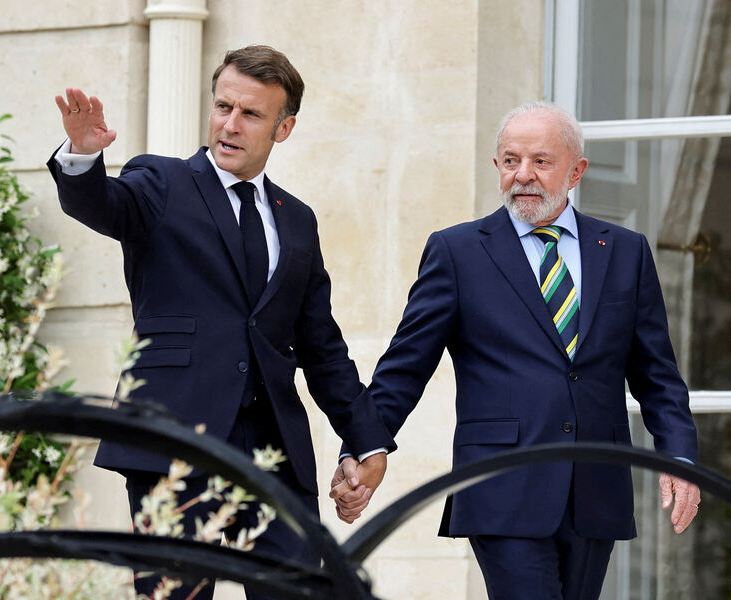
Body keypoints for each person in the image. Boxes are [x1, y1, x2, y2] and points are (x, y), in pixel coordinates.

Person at [47, 45, 394, 599]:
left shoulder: (297, 221)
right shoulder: (160, 182)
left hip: (274, 457)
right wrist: (82, 160)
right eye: (223, 107)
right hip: (173, 445)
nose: (230, 125)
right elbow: (101, 204)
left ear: (284, 129)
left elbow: (321, 346)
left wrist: (366, 441)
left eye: (251, 114)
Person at [330, 102, 700, 599]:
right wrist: (363, 445)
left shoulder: (625, 250)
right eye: (510, 160)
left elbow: (657, 375)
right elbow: (404, 368)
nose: (523, 175)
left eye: (540, 162)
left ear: (576, 171)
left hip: (596, 490)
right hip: (501, 487)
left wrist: (679, 456)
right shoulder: (458, 251)